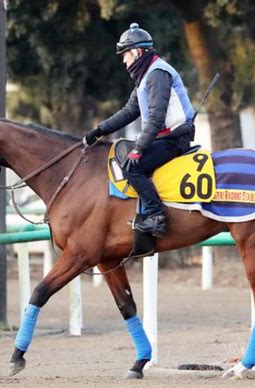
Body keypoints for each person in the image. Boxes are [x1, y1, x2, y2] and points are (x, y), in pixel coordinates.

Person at [84, 23, 195, 237]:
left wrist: (139, 149)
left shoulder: (157, 74)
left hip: (175, 140)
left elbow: (155, 118)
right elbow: (128, 112)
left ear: (137, 52)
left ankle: (156, 217)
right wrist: (99, 130)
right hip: (165, 138)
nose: (124, 61)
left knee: (132, 167)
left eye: (125, 55)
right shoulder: (145, 77)